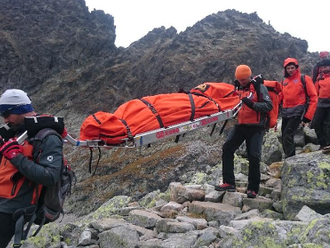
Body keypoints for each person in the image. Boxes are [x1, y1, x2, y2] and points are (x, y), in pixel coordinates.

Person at [0, 89, 63, 248]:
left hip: (13, 210)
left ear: (21, 109)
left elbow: (50, 176)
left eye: (7, 114)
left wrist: (16, 157)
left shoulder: (48, 137)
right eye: (2, 115)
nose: (5, 120)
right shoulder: (16, 133)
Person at [215, 65, 273, 198]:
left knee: (253, 156)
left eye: (244, 79)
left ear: (249, 76)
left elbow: (268, 106)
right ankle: (229, 182)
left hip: (256, 127)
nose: (241, 82)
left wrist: (251, 104)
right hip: (241, 125)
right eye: (239, 80)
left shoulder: (260, 87)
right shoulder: (237, 88)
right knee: (227, 148)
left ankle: (253, 189)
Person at [281, 58, 318, 158]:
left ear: (297, 68)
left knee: (287, 136)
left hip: (298, 111)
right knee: (284, 136)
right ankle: (288, 158)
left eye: (292, 67)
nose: (290, 70)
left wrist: (308, 117)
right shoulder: (285, 81)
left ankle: (290, 159)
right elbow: (281, 97)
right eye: (288, 68)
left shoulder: (304, 78)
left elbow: (314, 97)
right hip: (285, 112)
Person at [313, 59, 330, 149]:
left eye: (326, 67)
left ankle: (328, 143)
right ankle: (322, 144)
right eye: (322, 67)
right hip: (321, 103)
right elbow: (315, 91)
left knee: (328, 124)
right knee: (317, 123)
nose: (324, 69)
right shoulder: (319, 77)